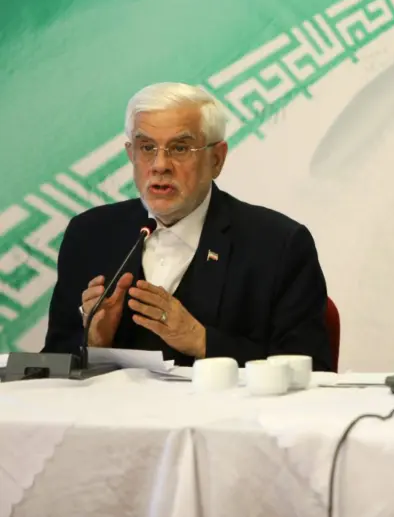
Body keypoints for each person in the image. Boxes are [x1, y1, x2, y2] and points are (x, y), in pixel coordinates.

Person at [42, 82, 333, 370]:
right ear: (131, 154)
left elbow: (311, 371)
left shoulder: (278, 245)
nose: (160, 165)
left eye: (180, 148)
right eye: (147, 147)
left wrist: (201, 341)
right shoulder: (89, 235)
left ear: (216, 159)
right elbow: (50, 367)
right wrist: (93, 343)